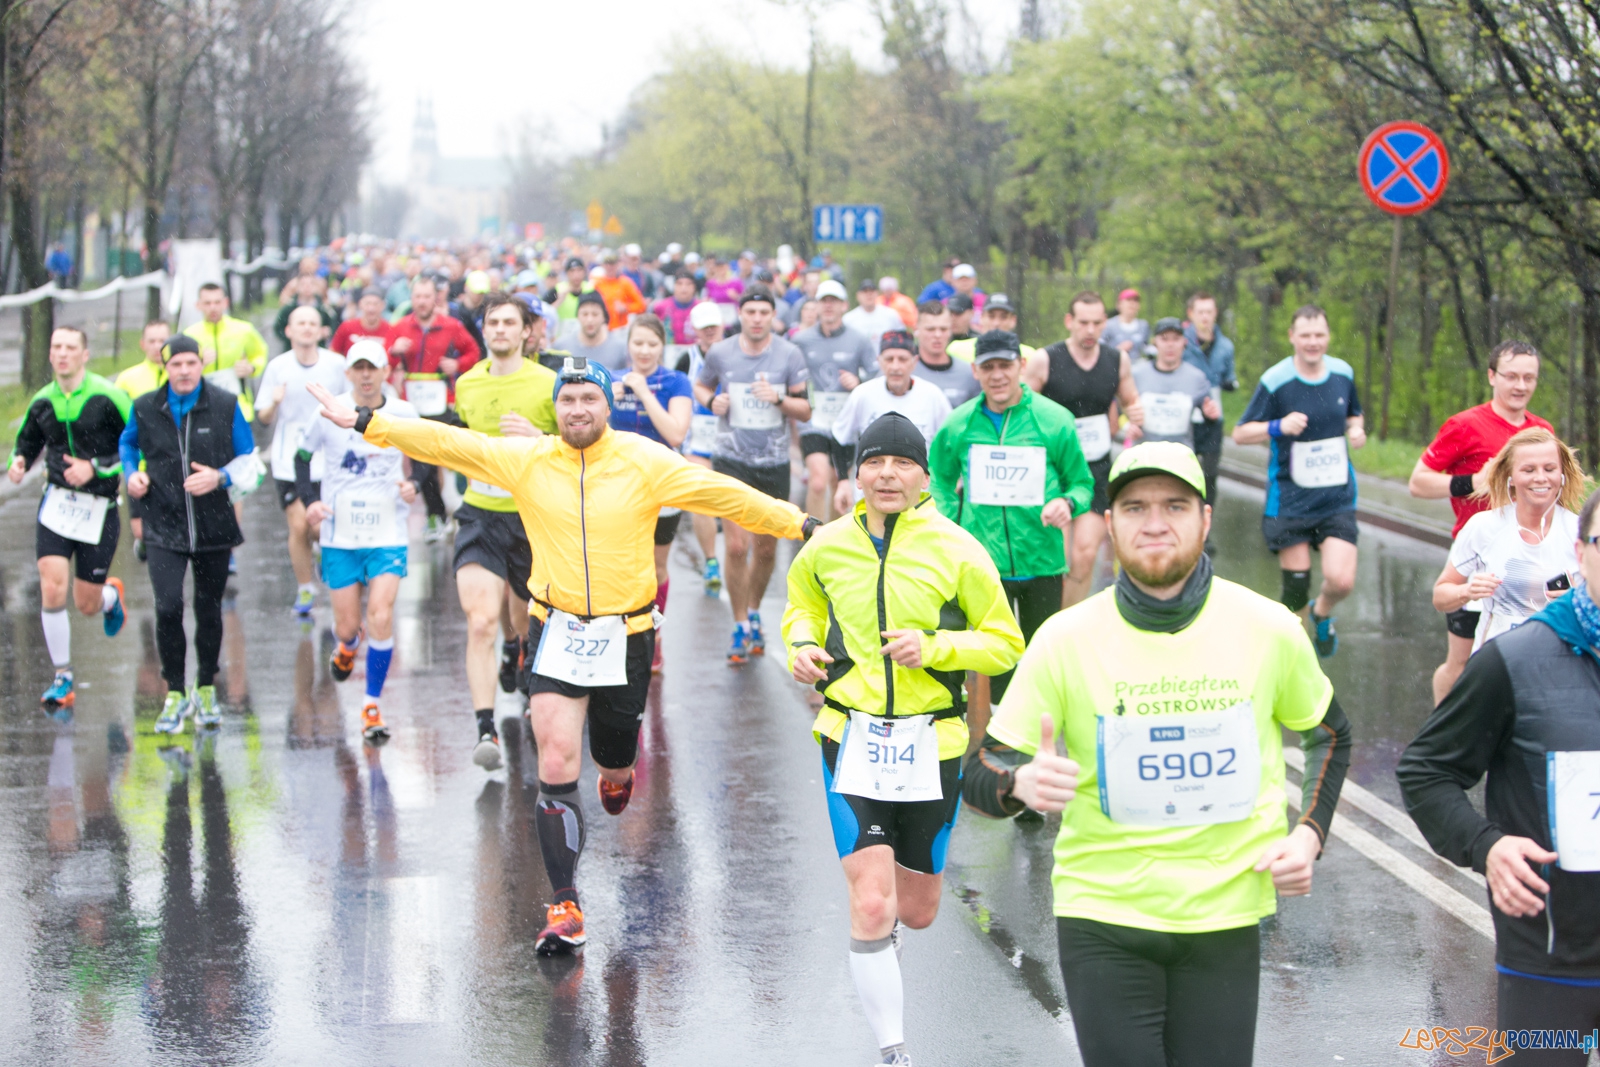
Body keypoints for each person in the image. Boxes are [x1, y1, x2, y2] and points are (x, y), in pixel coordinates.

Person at [306, 355, 818, 956]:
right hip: (555, 628)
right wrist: (367, 421)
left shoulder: (645, 460)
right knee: (554, 754)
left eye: (588, 399)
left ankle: (618, 775)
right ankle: (565, 903)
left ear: (607, 406)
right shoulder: (528, 459)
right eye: (567, 400)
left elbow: (724, 494)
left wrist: (802, 524)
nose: (577, 410)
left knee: (614, 762)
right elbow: (448, 442)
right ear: (556, 409)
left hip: (626, 633)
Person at [964, 442, 1352, 1067]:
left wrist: (1308, 835)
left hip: (1227, 912)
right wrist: (1018, 787)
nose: (1154, 523)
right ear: (1110, 525)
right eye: (1134, 507)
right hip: (1102, 914)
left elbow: (1329, 734)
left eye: (1174, 506)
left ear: (1204, 518)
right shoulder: (1065, 639)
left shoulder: (1269, 627)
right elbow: (980, 770)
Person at [783, 412, 1025, 1067]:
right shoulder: (827, 545)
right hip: (850, 735)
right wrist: (801, 645)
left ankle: (887, 933)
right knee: (870, 901)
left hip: (931, 743)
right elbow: (802, 605)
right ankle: (894, 1050)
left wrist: (937, 646)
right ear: (857, 473)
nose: (887, 474)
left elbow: (1005, 642)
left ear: (925, 477)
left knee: (915, 910)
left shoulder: (958, 548)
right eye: (874, 462)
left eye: (902, 463)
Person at [1400, 486, 1600, 1066]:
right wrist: (1486, 846)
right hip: (1552, 958)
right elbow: (1427, 770)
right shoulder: (1516, 660)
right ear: (1579, 553)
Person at [928, 330, 1093, 703]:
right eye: (988, 367)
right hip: (984, 562)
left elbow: (1082, 483)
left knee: (1039, 658)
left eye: (1005, 365)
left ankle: (1038, 726)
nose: (998, 375)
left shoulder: (1054, 420)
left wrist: (1067, 503)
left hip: (1042, 558)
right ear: (975, 371)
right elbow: (938, 477)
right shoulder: (959, 423)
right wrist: (949, 519)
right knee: (995, 661)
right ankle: (997, 728)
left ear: (1021, 366)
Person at [121, 335, 259, 733]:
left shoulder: (225, 404)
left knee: (208, 608)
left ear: (201, 364)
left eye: (190, 363)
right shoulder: (145, 406)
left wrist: (220, 477)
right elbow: (127, 444)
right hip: (162, 522)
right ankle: (175, 692)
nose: (183, 371)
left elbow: (249, 460)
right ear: (165, 367)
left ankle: (206, 687)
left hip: (213, 524)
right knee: (167, 607)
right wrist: (132, 475)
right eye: (176, 364)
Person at [449, 293, 559, 768]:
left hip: (531, 518)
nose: (499, 329)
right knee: (480, 621)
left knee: (524, 617)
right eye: (492, 322)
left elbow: (582, 448)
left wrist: (540, 438)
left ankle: (517, 651)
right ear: (484, 329)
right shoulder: (467, 384)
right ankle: (485, 730)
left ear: (526, 332)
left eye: (509, 322)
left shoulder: (549, 384)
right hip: (480, 515)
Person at [1410, 341, 1551, 703]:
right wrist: (1471, 482)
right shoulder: (1465, 425)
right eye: (1511, 376)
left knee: (1523, 656)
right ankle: (1443, 729)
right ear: (1492, 376)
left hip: (1527, 557)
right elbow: (1418, 482)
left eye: (1529, 378)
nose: (1520, 385)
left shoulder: (1542, 431)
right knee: (1462, 662)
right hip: (1475, 556)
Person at [297, 340, 420, 745]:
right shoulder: (328, 410)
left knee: (381, 615)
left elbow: (425, 453)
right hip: (341, 533)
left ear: (386, 372)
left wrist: (414, 484)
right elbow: (301, 457)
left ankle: (371, 704)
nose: (366, 375)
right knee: (348, 624)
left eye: (373, 368)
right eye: (359, 368)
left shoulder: (403, 412)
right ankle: (348, 644)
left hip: (388, 531)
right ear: (348, 373)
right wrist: (310, 501)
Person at [8, 326, 131, 711]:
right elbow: (27, 442)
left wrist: (95, 467)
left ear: (85, 354)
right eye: (56, 347)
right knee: (51, 587)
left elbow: (135, 445)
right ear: (50, 354)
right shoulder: (42, 401)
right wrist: (19, 461)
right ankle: (62, 676)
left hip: (99, 508)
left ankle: (109, 596)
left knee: (86, 605)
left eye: (70, 347)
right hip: (57, 506)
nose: (62, 354)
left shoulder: (108, 396)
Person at [1232, 306, 1366, 657]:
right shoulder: (1276, 380)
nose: (1313, 342)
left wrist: (1356, 430)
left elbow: (1354, 414)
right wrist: (1278, 426)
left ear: (1328, 336)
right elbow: (1240, 433)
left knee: (1342, 580)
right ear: (1292, 337)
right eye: (1305, 335)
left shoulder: (1342, 373)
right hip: (1291, 497)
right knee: (1295, 590)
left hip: (1336, 496)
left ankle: (1321, 611)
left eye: (1319, 335)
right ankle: (1299, 660)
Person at [694, 286, 812, 663]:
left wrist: (778, 399)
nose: (757, 319)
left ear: (772, 316)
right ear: (740, 315)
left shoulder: (789, 354)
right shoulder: (720, 352)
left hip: (773, 464)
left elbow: (805, 410)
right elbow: (700, 385)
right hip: (731, 460)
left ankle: (755, 609)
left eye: (764, 312)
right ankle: (740, 623)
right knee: (736, 547)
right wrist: (712, 400)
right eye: (751, 312)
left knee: (765, 550)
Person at [1025, 290, 1144, 608]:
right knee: (1059, 558)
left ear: (1105, 323)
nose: (1090, 330)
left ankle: (1065, 620)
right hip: (1054, 469)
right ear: (1070, 322)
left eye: (1097, 323)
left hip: (1096, 468)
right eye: (1083, 323)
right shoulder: (1046, 359)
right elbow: (1022, 407)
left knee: (1085, 555)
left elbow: (1131, 399)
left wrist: (1135, 412)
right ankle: (1048, 620)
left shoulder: (1117, 360)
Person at [1432, 428, 1583, 652]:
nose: (1540, 477)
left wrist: (1580, 600)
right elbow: (1440, 596)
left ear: (1562, 475)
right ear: (1510, 478)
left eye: (1549, 469)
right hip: (1497, 658)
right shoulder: (1484, 527)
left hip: (1559, 658)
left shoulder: (1581, 531)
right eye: (1529, 470)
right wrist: (1468, 591)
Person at [608, 314, 694, 673]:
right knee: (619, 563)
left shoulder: (675, 381)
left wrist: (643, 392)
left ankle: (653, 633)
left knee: (656, 567)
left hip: (662, 484)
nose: (644, 350)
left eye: (652, 344)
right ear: (628, 345)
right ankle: (621, 630)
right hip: (616, 486)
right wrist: (607, 399)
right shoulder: (611, 378)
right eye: (638, 343)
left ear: (663, 347)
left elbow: (676, 434)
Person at [256, 305, 351, 616]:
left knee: (320, 527)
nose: (307, 328)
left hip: (328, 456)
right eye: (301, 323)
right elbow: (263, 418)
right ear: (289, 331)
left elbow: (351, 406)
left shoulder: (337, 365)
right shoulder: (278, 366)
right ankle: (305, 588)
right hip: (289, 458)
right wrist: (274, 403)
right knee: (299, 524)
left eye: (313, 323)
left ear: (322, 330)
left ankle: (322, 549)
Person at [386, 273, 481, 541]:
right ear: (411, 298)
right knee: (419, 454)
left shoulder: (451, 326)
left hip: (441, 397)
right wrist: (394, 351)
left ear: (435, 298)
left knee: (434, 451)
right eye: (417, 296)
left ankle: (448, 509)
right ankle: (436, 513)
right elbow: (384, 365)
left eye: (427, 296)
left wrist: (457, 364)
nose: (422, 301)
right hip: (412, 399)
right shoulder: (401, 327)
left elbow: (474, 352)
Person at [829, 332, 954, 516]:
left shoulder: (933, 396)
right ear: (879, 361)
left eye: (902, 359)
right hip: (870, 498)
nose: (895, 366)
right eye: (889, 359)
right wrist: (842, 482)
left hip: (918, 500)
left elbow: (950, 445)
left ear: (914, 361)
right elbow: (839, 437)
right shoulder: (863, 394)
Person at [793, 279, 879, 521]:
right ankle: (813, 536)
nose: (829, 306)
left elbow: (876, 376)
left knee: (837, 480)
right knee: (818, 481)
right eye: (824, 301)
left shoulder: (859, 339)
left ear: (844, 305)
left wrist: (858, 381)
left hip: (845, 422)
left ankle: (832, 532)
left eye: (834, 301)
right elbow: (791, 375)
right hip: (814, 421)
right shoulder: (801, 340)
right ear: (817, 306)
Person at [677, 300, 728, 595]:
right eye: (704, 327)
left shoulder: (736, 353)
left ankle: (736, 552)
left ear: (722, 326)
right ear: (695, 330)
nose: (709, 331)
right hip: (696, 440)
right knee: (702, 496)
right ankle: (711, 560)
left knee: (732, 499)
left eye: (713, 326)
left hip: (731, 439)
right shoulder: (687, 359)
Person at [116, 320, 171, 561]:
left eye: (162, 341)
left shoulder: (181, 375)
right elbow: (116, 424)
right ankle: (147, 544)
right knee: (140, 529)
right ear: (142, 344)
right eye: (152, 341)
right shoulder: (128, 379)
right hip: (141, 465)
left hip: (172, 463)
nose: (158, 346)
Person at [182, 282, 268, 421]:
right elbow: (178, 368)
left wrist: (251, 368)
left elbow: (260, 353)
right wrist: (197, 363)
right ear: (198, 305)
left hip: (238, 407)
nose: (213, 307)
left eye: (217, 302)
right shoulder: (189, 335)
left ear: (225, 303)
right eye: (207, 303)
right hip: (201, 408)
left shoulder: (243, 330)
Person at [1131, 317, 1220, 451]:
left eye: (1176, 339)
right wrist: (1129, 425)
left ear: (1184, 342)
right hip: (1144, 455)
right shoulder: (1137, 374)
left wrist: (1210, 416)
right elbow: (1120, 411)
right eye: (1164, 339)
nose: (1170, 345)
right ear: (1155, 342)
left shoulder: (1196, 378)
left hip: (1181, 455)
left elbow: (1209, 421)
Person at [1182, 292, 1238, 506]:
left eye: (1209, 312)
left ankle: (1207, 516)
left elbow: (1229, 376)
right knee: (1184, 470)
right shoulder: (1182, 342)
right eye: (1200, 312)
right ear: (1191, 314)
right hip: (1187, 416)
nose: (1205, 317)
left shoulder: (1225, 346)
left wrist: (1230, 383)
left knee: (1211, 473)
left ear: (1215, 314)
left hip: (1214, 415)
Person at [910, 301, 981, 409]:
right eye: (930, 329)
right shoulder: (905, 372)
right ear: (916, 329)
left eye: (943, 329)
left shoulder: (968, 374)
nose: (937, 335)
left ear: (951, 330)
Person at [947, 294, 1035, 363]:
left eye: (1003, 317)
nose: (996, 323)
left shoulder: (1029, 355)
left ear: (1013, 320)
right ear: (981, 318)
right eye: (991, 316)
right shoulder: (956, 349)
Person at [569, 291, 629, 371]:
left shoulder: (621, 349)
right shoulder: (562, 347)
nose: (589, 320)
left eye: (595, 314)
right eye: (585, 314)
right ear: (577, 316)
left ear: (604, 317)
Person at [330, 288, 395, 355]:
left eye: (375, 304)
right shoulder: (347, 327)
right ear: (360, 304)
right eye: (367, 304)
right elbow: (333, 353)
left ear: (382, 306)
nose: (371, 308)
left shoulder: (390, 330)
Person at [594, 251, 647, 329]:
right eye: (607, 264)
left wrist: (626, 308)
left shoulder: (625, 283)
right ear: (603, 265)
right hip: (602, 327)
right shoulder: (597, 284)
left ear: (617, 265)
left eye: (612, 264)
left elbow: (641, 305)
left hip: (620, 328)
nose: (609, 267)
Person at [842, 277, 906, 342]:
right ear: (858, 295)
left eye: (872, 291)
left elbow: (902, 338)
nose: (869, 294)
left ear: (877, 293)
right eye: (865, 291)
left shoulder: (891, 315)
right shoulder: (849, 319)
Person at [650, 270, 700, 344]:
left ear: (694, 287)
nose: (684, 288)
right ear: (674, 286)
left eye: (688, 284)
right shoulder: (660, 307)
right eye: (679, 284)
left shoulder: (702, 308)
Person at [1100, 288, 1150, 356]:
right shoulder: (1108, 325)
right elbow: (1100, 350)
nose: (1132, 303)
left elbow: (1146, 349)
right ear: (1119, 304)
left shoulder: (1144, 326)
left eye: (1135, 300)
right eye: (1128, 300)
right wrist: (1117, 351)